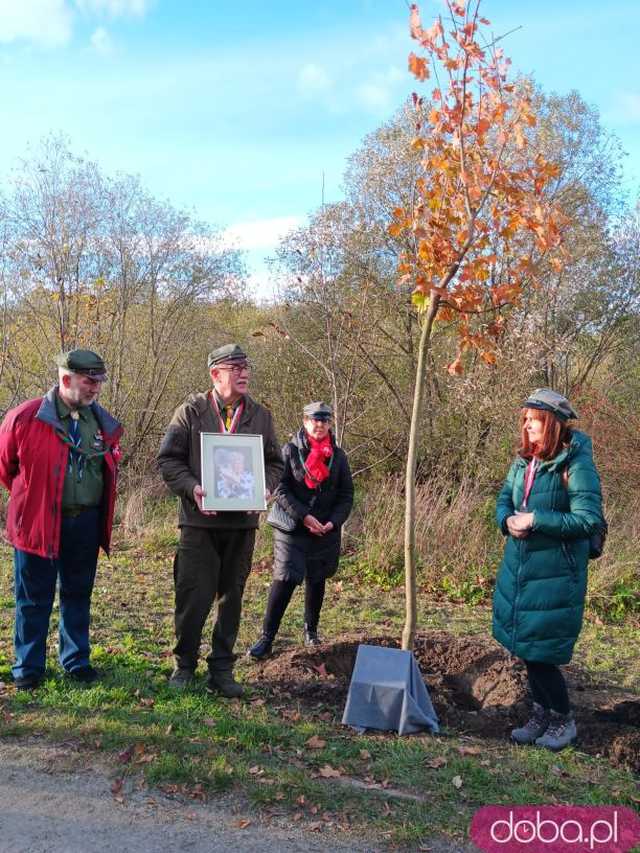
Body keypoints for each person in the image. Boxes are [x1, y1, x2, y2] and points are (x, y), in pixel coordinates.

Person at [157, 343, 283, 697]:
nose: (244, 373)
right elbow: (168, 461)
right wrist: (193, 488)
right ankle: (184, 665)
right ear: (215, 374)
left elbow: (274, 463)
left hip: (241, 525)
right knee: (193, 596)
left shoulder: (260, 415)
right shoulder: (190, 412)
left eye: (246, 367)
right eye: (235, 367)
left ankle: (222, 669)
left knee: (233, 598)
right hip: (199, 524)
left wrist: (266, 488)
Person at [0, 349, 122, 690]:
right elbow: (6, 468)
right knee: (32, 598)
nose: (95, 388)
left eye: (98, 382)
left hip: (84, 523)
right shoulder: (25, 417)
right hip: (37, 523)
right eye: (89, 381)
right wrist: (37, 500)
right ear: (65, 379)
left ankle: (76, 661)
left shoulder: (99, 421)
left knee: (77, 593)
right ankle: (27, 668)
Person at [493, 388, 605, 751]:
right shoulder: (525, 460)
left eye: (534, 420)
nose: (527, 426)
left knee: (542, 655)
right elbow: (502, 501)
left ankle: (563, 720)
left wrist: (537, 518)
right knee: (527, 649)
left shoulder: (575, 462)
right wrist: (507, 520)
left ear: (552, 424)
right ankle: (541, 714)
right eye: (524, 419)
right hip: (521, 570)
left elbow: (588, 520)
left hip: (556, 576)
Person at [248, 401, 354, 660]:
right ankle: (267, 638)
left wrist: (334, 522)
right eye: (314, 420)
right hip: (293, 527)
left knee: (317, 579)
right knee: (285, 578)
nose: (320, 425)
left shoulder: (338, 457)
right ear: (305, 422)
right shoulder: (290, 451)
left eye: (324, 420)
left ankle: (311, 632)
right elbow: (281, 490)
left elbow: (346, 494)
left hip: (325, 529)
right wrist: (304, 516)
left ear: (330, 424)